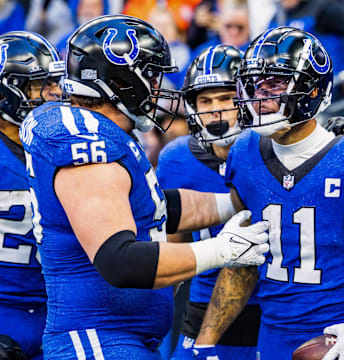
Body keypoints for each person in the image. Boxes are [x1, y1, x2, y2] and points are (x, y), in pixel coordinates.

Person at [19, 15, 270, 360]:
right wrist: (223, 250)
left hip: (118, 337)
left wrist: (235, 203)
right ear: (122, 79)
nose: (157, 86)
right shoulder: (87, 142)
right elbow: (120, 260)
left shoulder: (98, 130)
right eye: (151, 75)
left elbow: (154, 207)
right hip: (99, 339)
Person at [194, 26, 344, 360]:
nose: (261, 98)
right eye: (254, 86)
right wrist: (205, 342)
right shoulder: (244, 152)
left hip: (338, 341)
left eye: (275, 85)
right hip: (270, 340)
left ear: (312, 90)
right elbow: (244, 259)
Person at [156, 45, 261, 360]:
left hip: (271, 308)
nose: (216, 111)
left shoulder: (269, 149)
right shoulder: (176, 158)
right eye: (205, 101)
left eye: (226, 99)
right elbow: (172, 246)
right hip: (200, 307)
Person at [0, 31, 65, 359]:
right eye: (41, 84)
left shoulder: (62, 145)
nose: (54, 94)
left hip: (58, 312)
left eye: (55, 83)